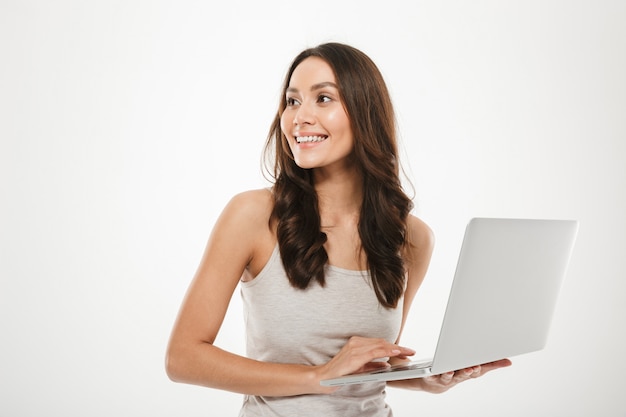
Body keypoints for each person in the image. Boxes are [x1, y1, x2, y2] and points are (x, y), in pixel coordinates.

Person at [165, 42, 511, 416]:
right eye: (292, 101)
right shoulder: (253, 215)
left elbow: (374, 365)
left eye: (323, 98)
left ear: (365, 113)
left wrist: (429, 379)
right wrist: (317, 377)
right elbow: (183, 358)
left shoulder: (412, 238)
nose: (300, 117)